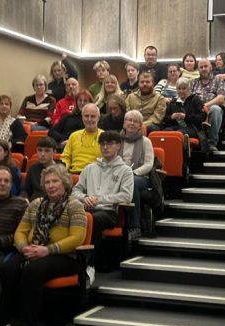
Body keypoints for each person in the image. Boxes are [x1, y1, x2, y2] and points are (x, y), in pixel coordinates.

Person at [0, 164, 87, 326]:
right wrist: (23, 247)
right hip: (32, 249)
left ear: (65, 183)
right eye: (47, 182)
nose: (51, 185)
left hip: (63, 256)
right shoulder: (35, 204)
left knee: (32, 270)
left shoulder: (74, 205)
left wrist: (48, 250)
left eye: (55, 181)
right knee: (7, 268)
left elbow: (78, 238)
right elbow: (21, 231)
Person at [71, 131, 134, 265]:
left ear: (118, 146)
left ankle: (88, 263)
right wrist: (85, 197)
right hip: (87, 208)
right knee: (74, 216)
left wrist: (98, 199)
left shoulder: (125, 170)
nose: (105, 147)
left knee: (93, 219)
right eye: (102, 144)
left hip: (108, 212)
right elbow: (75, 191)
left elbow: (126, 196)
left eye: (110, 144)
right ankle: (71, 259)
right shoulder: (89, 168)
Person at [120, 110, 155, 238]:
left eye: (136, 121)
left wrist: (132, 173)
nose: (132, 123)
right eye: (129, 120)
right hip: (119, 175)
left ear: (140, 125)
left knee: (132, 183)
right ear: (124, 123)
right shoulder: (117, 140)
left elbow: (149, 164)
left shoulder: (146, 141)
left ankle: (135, 226)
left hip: (140, 177)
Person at [192, 58, 225, 152]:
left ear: (211, 67)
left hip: (211, 108)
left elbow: (221, 98)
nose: (203, 69)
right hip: (196, 110)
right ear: (198, 69)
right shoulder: (193, 82)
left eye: (206, 66)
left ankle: (212, 143)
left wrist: (206, 105)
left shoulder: (218, 80)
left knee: (216, 109)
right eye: (201, 67)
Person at [62, 103, 103, 173]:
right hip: (74, 174)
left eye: (93, 116)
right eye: (86, 116)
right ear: (82, 117)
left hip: (96, 175)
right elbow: (66, 157)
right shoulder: (74, 136)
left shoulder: (104, 136)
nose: (89, 119)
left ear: (98, 118)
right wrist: (63, 169)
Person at [21, 136, 60, 201]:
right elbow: (26, 190)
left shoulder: (61, 169)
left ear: (54, 152)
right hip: (35, 203)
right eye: (40, 150)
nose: (42, 154)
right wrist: (25, 198)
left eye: (47, 151)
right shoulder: (33, 169)